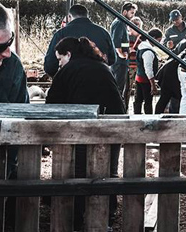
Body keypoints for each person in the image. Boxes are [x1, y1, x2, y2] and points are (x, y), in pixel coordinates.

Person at [45, 36, 125, 229]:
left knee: (79, 173)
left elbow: (51, 105)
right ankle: (107, 217)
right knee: (108, 173)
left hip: (81, 131)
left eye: (60, 59)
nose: (59, 64)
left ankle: (78, 218)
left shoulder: (67, 71)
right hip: (112, 128)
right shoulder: (103, 67)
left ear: (68, 54)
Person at [43, 4, 116, 77]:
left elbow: (50, 66)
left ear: (69, 17)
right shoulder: (103, 32)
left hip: (71, 79)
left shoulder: (60, 34)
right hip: (100, 78)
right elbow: (112, 59)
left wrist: (60, 77)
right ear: (86, 16)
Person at [110, 2, 138, 99]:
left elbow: (123, 40)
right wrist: (121, 54)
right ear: (125, 12)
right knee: (118, 87)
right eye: (132, 13)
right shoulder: (120, 23)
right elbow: (116, 40)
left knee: (119, 86)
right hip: (119, 62)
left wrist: (126, 50)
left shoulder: (121, 23)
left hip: (120, 60)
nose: (133, 15)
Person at [134, 28, 162, 114]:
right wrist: (153, 85)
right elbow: (148, 70)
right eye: (158, 40)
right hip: (146, 80)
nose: (159, 43)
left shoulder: (141, 46)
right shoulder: (148, 52)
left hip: (139, 77)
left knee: (138, 100)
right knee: (148, 102)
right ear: (153, 38)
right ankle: (148, 117)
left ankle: (136, 116)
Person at [124, 16, 143, 110]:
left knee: (139, 89)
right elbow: (123, 48)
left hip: (139, 66)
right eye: (133, 25)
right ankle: (125, 107)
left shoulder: (143, 37)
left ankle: (137, 109)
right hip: (129, 65)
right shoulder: (126, 36)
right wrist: (128, 49)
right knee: (127, 88)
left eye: (137, 25)